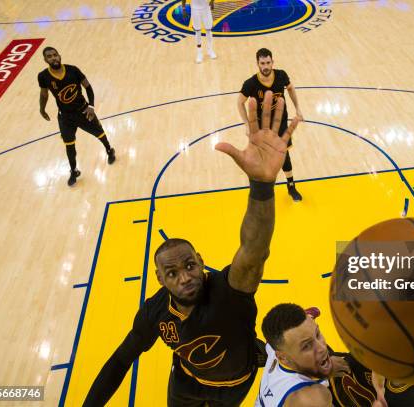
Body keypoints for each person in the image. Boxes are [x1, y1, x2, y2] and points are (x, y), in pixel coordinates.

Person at [84, 92, 299, 406]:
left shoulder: (229, 292)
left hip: (235, 385)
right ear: (160, 280)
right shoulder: (155, 312)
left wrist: (262, 186)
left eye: (189, 265)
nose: (184, 277)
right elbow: (120, 361)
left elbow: (254, 251)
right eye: (172, 273)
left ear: (201, 262)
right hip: (185, 383)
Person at [258, 303, 414, 407]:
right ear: (283, 357)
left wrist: (306, 319)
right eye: (306, 345)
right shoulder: (312, 399)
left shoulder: (276, 347)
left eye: (317, 333)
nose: (322, 348)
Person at [38, 47, 116, 187]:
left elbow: (88, 87)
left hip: (83, 111)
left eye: (55, 55)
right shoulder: (43, 76)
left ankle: (109, 150)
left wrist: (91, 106)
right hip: (65, 117)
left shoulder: (73, 70)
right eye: (49, 56)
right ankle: (74, 170)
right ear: (45, 60)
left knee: (99, 133)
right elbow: (44, 94)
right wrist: (42, 109)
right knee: (69, 146)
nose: (53, 58)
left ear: (60, 56)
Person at [238, 48, 304, 202]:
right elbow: (239, 102)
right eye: (262, 63)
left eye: (268, 62)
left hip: (280, 122)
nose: (266, 66)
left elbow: (291, 89)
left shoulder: (281, 75)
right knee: (263, 157)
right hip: (261, 126)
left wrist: (298, 108)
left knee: (284, 153)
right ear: (257, 64)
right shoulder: (250, 83)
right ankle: (264, 188)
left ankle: (291, 186)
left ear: (272, 62)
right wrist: (247, 124)